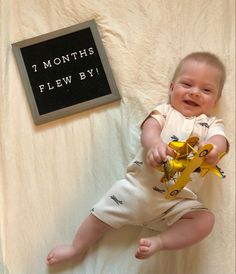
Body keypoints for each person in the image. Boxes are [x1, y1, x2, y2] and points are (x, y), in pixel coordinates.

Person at [47, 52, 229, 265]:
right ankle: (76, 247)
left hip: (177, 203)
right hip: (136, 190)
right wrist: (154, 145)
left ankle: (160, 242)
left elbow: (220, 141)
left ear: (216, 99)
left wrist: (213, 151)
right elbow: (149, 130)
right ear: (171, 88)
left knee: (205, 220)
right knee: (99, 215)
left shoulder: (210, 124)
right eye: (187, 84)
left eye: (206, 90)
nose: (195, 92)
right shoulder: (164, 112)